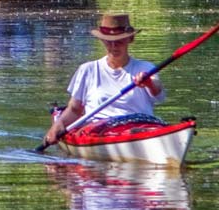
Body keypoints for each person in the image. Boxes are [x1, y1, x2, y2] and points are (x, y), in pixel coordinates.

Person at [42, 13, 162, 147]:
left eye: (119, 41)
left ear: (130, 39)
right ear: (102, 41)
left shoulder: (146, 68)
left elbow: (157, 88)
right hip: (100, 131)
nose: (114, 46)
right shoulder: (88, 70)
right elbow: (75, 109)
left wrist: (148, 83)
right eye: (109, 41)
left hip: (143, 127)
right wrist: (58, 124)